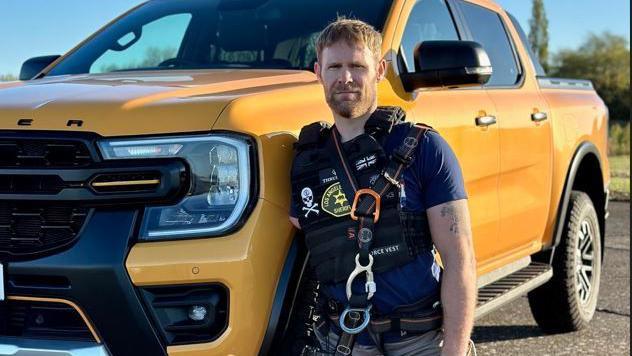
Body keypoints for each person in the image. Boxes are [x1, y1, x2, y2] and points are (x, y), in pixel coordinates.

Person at [289, 18, 476, 356]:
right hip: (342, 342)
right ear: (319, 72)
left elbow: (460, 260)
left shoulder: (424, 147)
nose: (345, 78)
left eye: (357, 66)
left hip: (418, 342)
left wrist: (456, 349)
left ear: (380, 70)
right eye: (335, 66)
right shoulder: (305, 164)